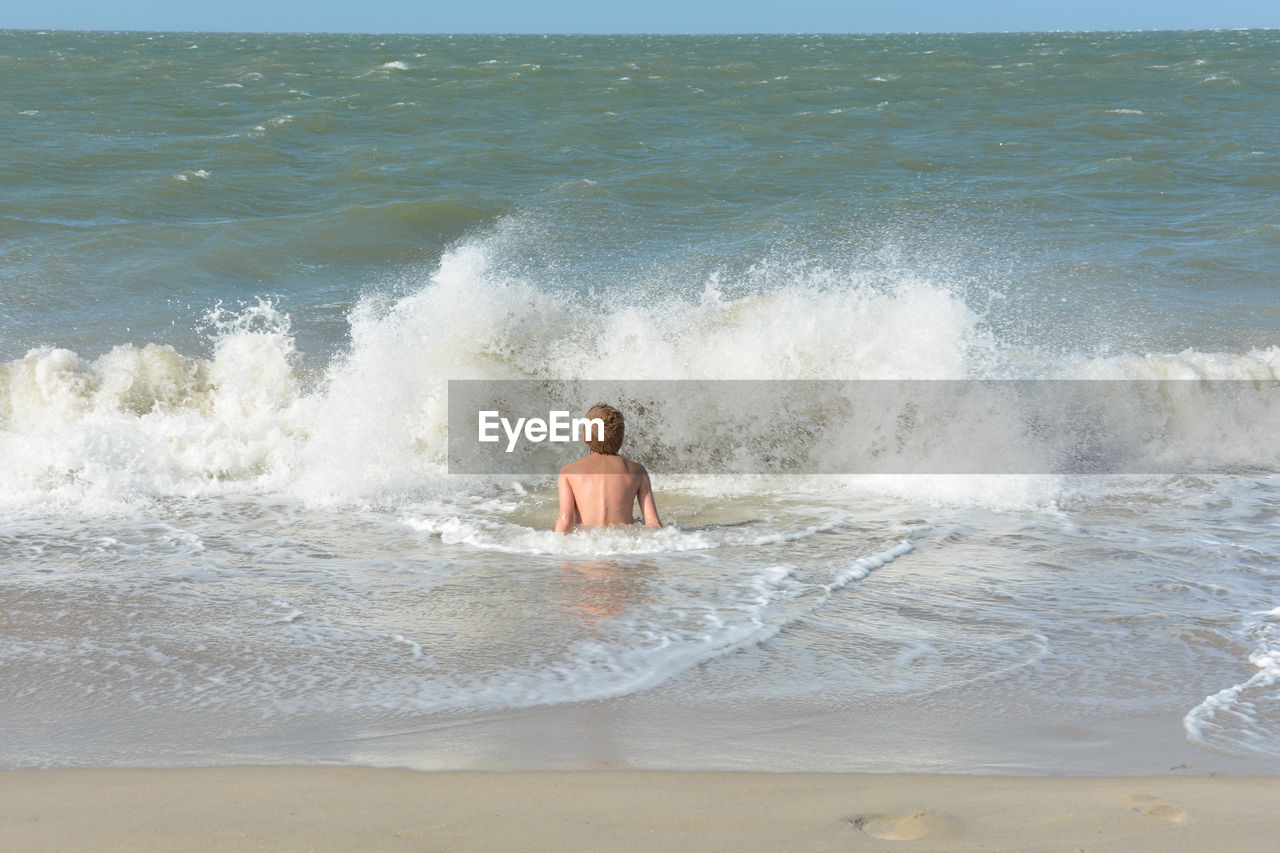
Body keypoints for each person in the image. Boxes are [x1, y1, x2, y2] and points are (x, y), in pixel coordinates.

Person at [554, 403, 662, 533]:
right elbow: (653, 522)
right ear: (621, 439)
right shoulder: (638, 471)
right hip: (622, 545)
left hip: (587, 546)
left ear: (585, 438)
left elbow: (566, 520)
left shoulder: (568, 472)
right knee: (638, 521)